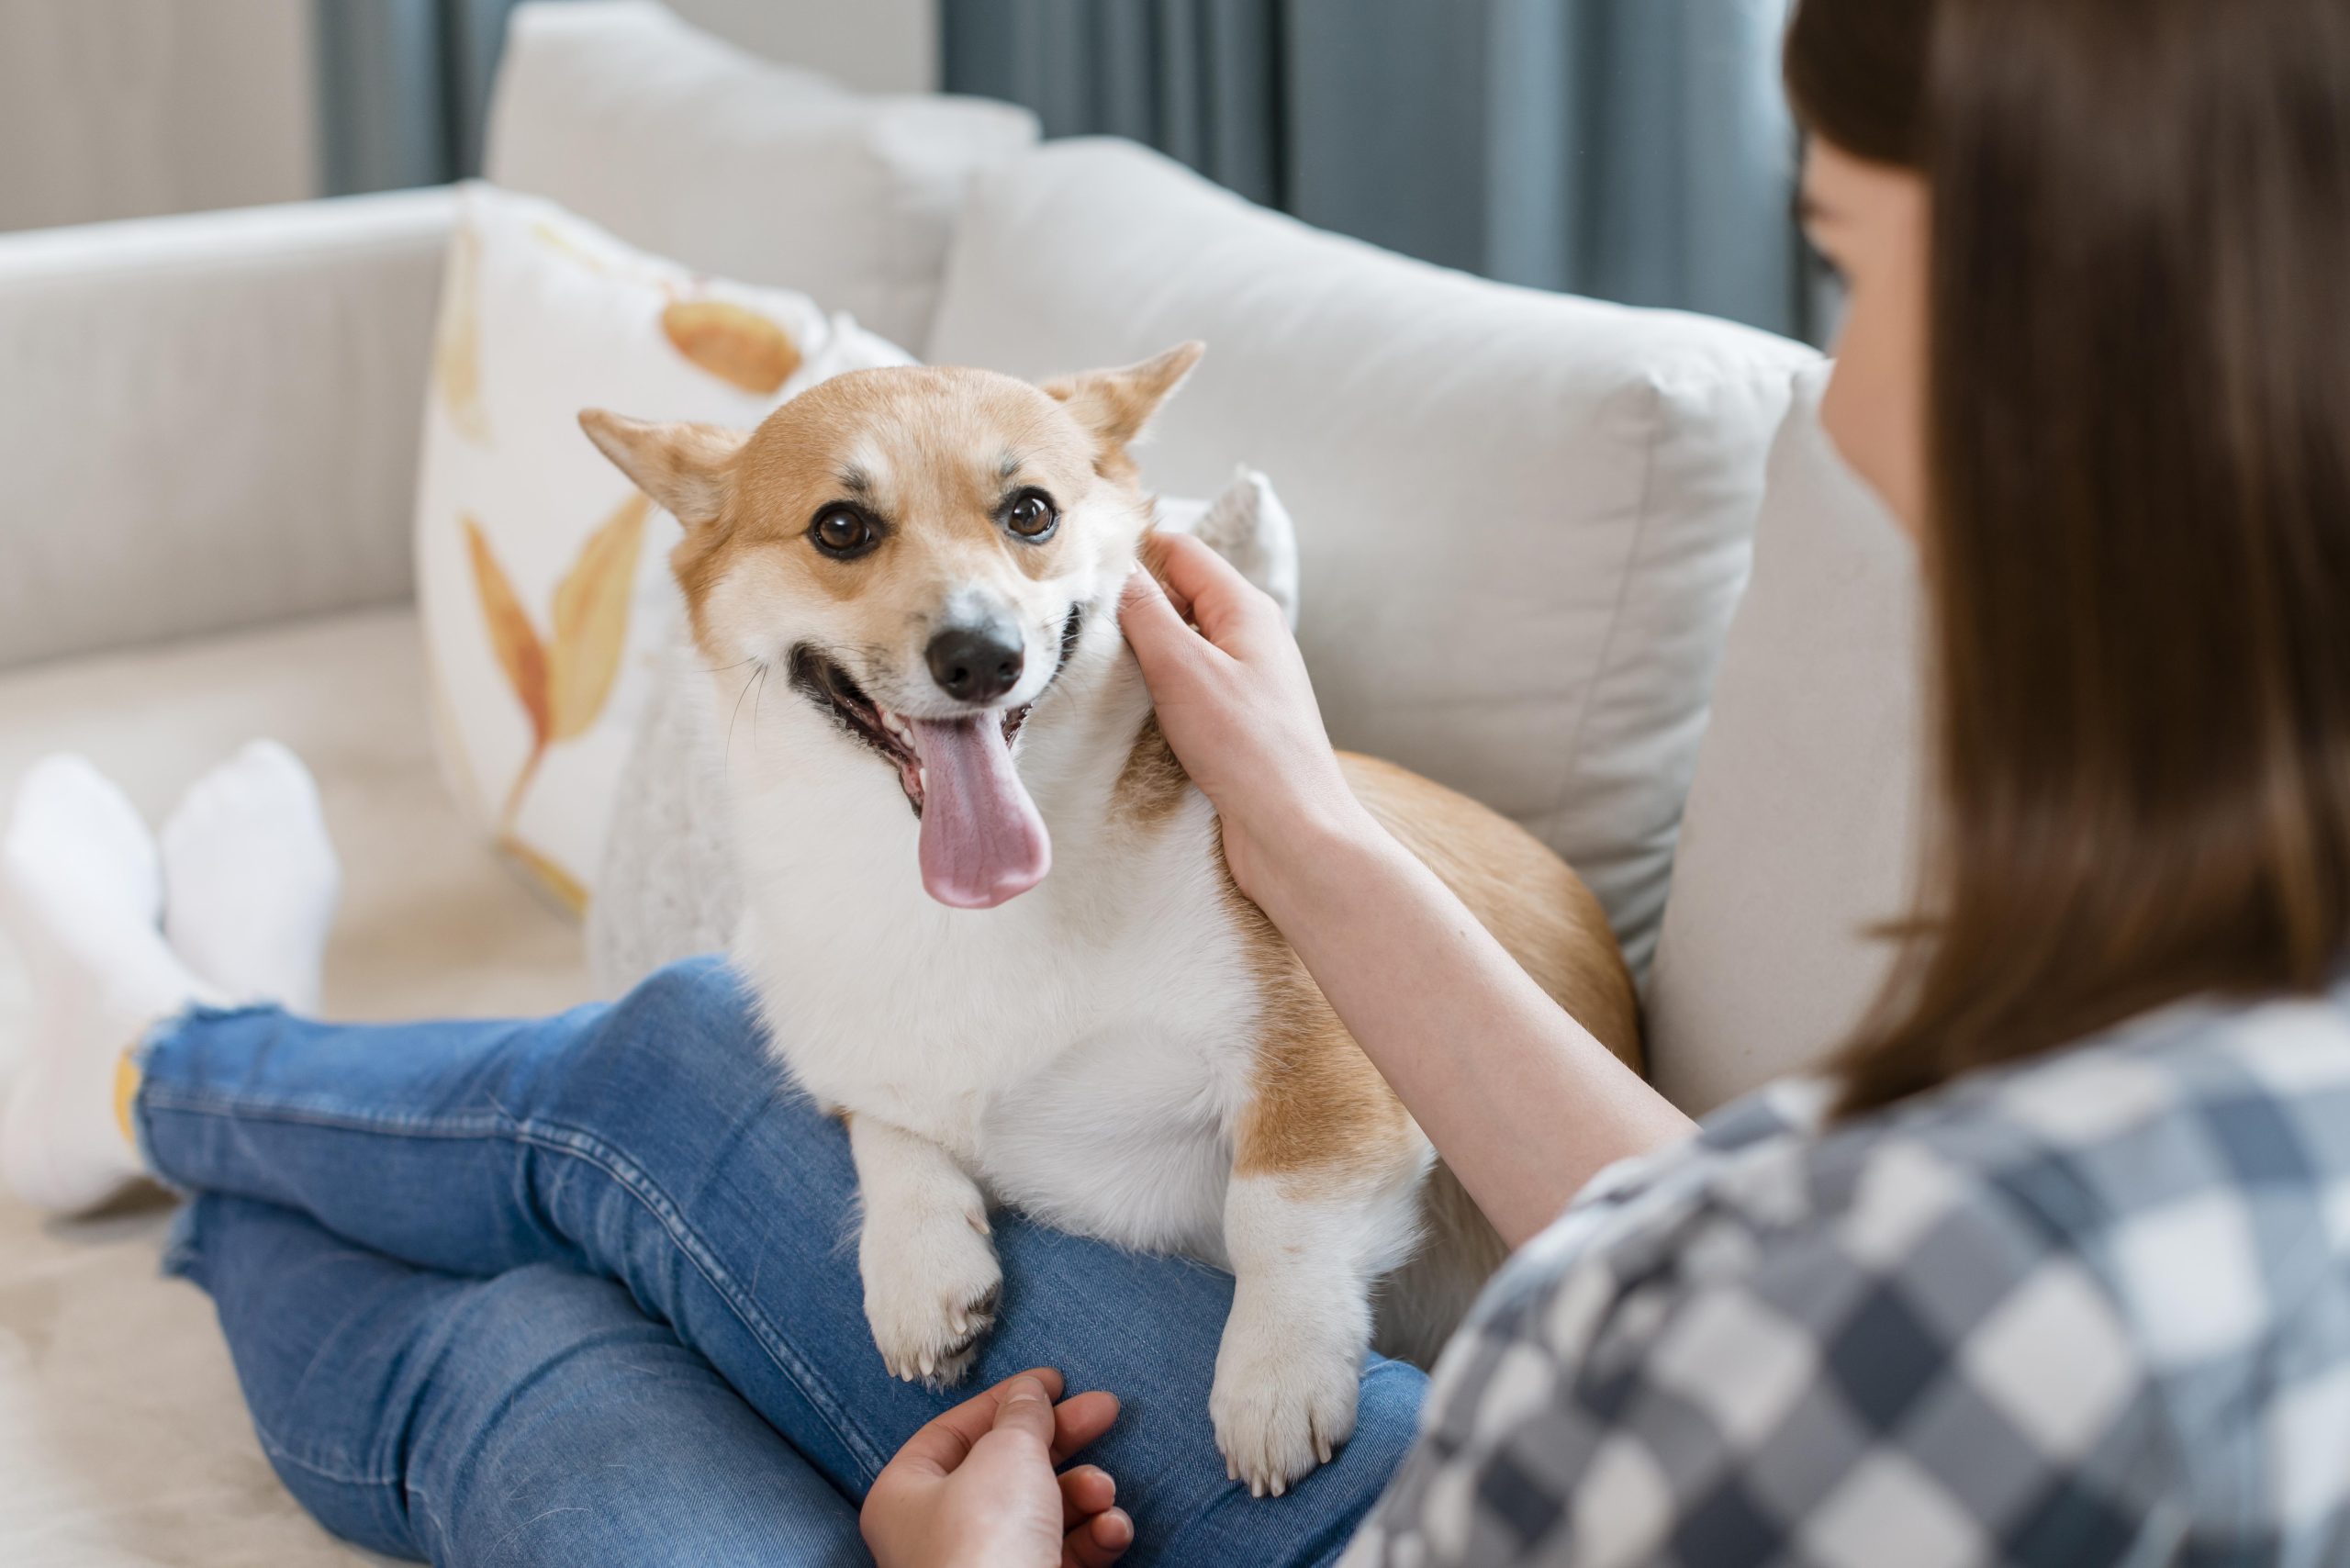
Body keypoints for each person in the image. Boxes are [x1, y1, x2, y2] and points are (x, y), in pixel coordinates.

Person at [6, 0, 2350, 1561]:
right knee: (590, 1251)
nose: (1828, 401)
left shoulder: (2034, 1253)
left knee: (603, 1194)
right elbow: (1751, 1256)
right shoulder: (2194, 1099)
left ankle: (160, 1063)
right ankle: (166, 1063)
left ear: (2104, 354)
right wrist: (1310, 827)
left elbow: (1779, 1309)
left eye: (1842, 272)